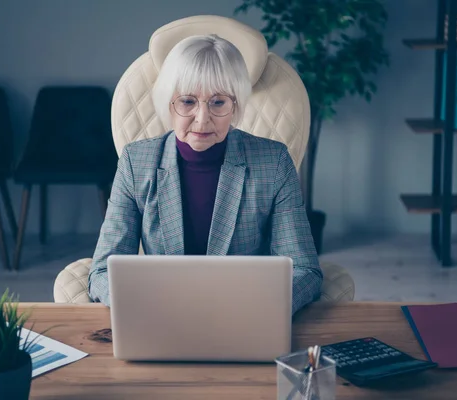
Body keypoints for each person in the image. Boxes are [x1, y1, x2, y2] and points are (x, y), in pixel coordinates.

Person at [88, 34, 323, 315]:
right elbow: (102, 271)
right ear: (168, 103)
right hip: (160, 315)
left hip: (244, 316)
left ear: (235, 105)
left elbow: (305, 269)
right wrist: (141, 306)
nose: (202, 119)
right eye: (187, 101)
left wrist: (264, 307)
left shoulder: (273, 162)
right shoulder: (135, 162)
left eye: (218, 102)